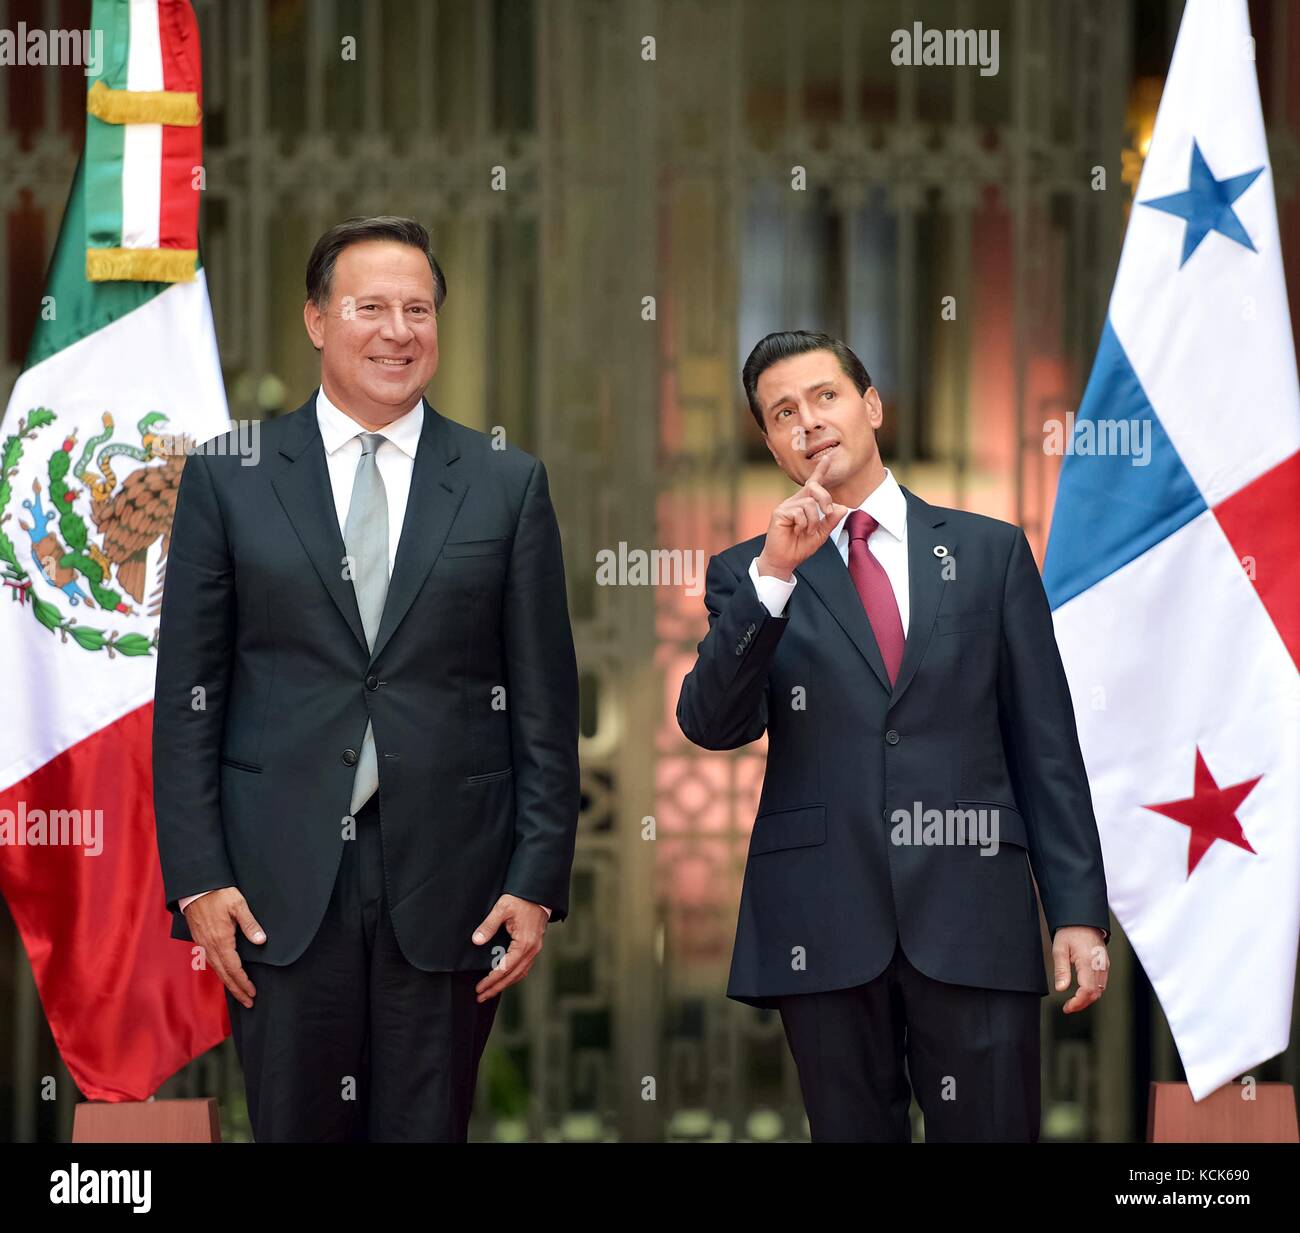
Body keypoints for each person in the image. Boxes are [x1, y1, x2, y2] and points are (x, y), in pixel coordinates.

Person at [153, 216, 579, 1142]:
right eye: (371, 307)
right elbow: (189, 696)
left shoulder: (507, 484)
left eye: (418, 309)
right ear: (315, 320)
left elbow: (545, 703)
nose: (398, 330)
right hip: (276, 886)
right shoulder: (231, 476)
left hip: (453, 883)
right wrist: (197, 878)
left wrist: (537, 877)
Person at [677, 330, 1111, 1142]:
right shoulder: (749, 573)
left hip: (974, 915)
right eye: (782, 412)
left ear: (871, 406)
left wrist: (1077, 910)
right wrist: (774, 581)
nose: (808, 421)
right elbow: (711, 722)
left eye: (825, 396)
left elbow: (1045, 744)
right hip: (823, 925)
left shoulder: (990, 553)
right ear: (770, 442)